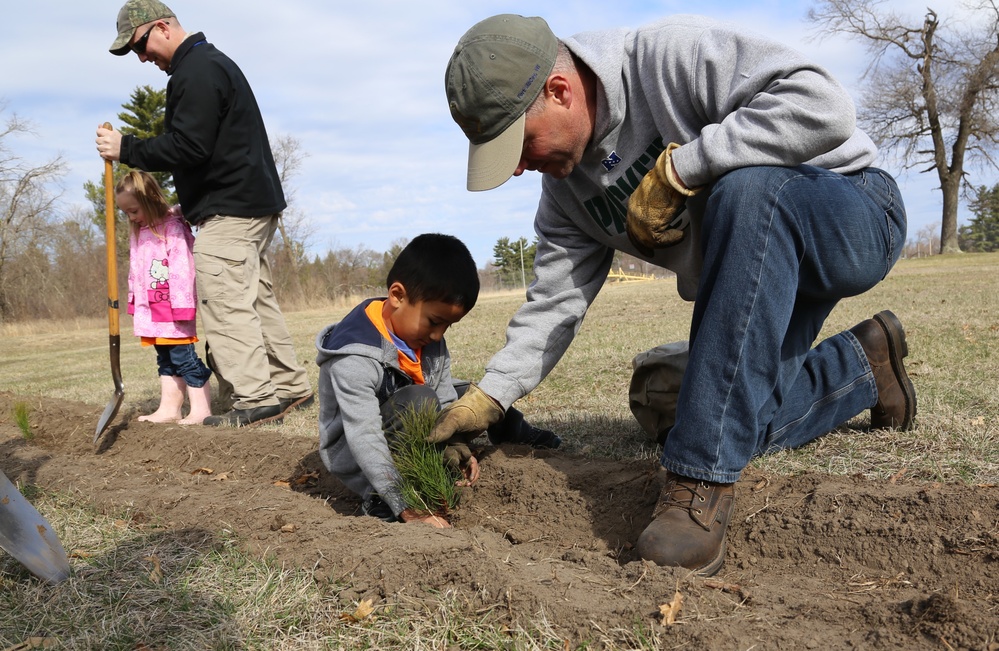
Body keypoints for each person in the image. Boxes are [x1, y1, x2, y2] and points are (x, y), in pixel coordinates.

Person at [433, 14, 917, 576]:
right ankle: (865, 365)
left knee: (749, 189)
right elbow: (553, 303)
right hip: (764, 275)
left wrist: (683, 169)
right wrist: (490, 396)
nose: (518, 167)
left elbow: (824, 105)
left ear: (559, 91)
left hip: (851, 211)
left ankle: (697, 484)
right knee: (722, 421)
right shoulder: (565, 197)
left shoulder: (667, 59)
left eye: (519, 143)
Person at [96, 0, 312, 427]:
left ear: (161, 27)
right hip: (249, 202)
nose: (142, 58)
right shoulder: (206, 65)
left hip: (230, 207)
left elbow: (189, 146)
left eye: (140, 46)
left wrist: (128, 149)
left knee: (226, 302)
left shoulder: (195, 70)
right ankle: (289, 387)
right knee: (254, 298)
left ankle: (256, 397)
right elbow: (205, 144)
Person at [315, 233, 560, 528]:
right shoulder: (354, 358)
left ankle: (515, 433)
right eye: (434, 321)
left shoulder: (430, 341)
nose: (437, 335)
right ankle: (380, 498)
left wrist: (456, 447)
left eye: (448, 325)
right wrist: (404, 504)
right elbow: (363, 436)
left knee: (474, 397)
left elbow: (445, 400)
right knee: (419, 399)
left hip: (408, 419)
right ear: (397, 295)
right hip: (359, 455)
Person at [117, 169, 212, 425]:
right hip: (152, 309)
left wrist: (182, 307)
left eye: (134, 210)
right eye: (126, 213)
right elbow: (136, 270)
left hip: (172, 309)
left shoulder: (172, 229)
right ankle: (169, 408)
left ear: (150, 199)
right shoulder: (141, 232)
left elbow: (183, 270)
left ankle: (201, 409)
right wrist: (135, 300)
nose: (131, 217)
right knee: (165, 358)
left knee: (184, 357)